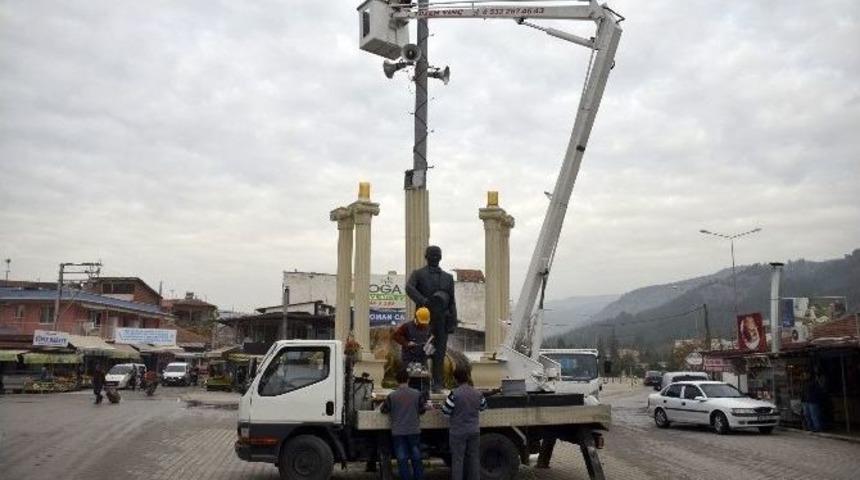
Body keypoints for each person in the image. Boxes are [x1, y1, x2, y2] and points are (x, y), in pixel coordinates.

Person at [405, 245, 457, 392]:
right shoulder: (418, 274)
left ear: (440, 257)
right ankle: (420, 383)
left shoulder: (448, 278)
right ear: (426, 257)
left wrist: (453, 321)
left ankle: (438, 384)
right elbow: (409, 288)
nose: (435, 257)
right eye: (432, 255)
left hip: (442, 320)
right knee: (420, 350)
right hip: (423, 318)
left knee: (439, 353)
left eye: (437, 255)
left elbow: (452, 301)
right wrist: (423, 301)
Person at [441, 368, 487, 480]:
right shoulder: (477, 393)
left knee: (458, 460)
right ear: (467, 378)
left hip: (458, 432)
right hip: (474, 431)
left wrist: (442, 406)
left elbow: (446, 411)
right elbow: (483, 407)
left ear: (456, 380)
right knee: (474, 458)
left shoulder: (454, 394)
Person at [381, 369, 426, 480]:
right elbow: (422, 410)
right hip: (413, 430)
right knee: (416, 456)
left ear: (397, 381)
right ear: (408, 380)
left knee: (402, 458)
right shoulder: (417, 394)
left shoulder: (392, 396)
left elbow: (384, 410)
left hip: (398, 431)